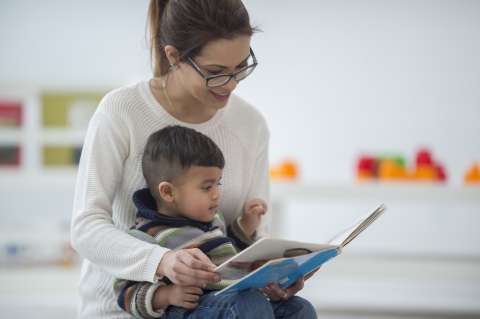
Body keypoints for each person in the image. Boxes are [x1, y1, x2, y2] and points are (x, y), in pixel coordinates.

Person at [71, 0, 315, 318]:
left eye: (241, 66)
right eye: (215, 73)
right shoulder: (123, 111)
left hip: (224, 305)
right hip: (128, 309)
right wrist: (162, 260)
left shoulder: (250, 124)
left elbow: (252, 232)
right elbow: (86, 228)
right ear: (174, 56)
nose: (231, 84)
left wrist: (273, 270)